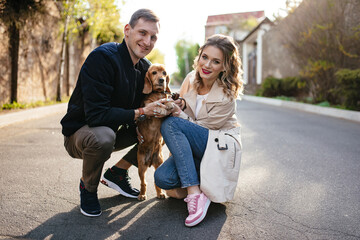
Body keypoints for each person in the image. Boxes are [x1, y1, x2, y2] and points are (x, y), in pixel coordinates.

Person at [60, 9, 169, 217]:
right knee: (104, 137)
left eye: (153, 37)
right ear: (127, 30)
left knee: (156, 132)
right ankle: (88, 187)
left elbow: (155, 97)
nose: (147, 41)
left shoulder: (144, 68)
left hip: (113, 128)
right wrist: (140, 113)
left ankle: (117, 172)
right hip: (81, 133)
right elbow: (96, 116)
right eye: (142, 33)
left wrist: (174, 103)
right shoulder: (102, 58)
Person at [154, 34, 244, 227]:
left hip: (216, 146)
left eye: (216, 61)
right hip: (194, 149)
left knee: (171, 124)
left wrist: (178, 113)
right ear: (200, 56)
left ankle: (195, 193)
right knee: (162, 178)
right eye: (205, 57)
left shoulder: (227, 96)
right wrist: (178, 103)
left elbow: (201, 128)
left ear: (225, 66)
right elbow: (185, 106)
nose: (207, 65)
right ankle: (203, 184)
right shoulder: (191, 79)